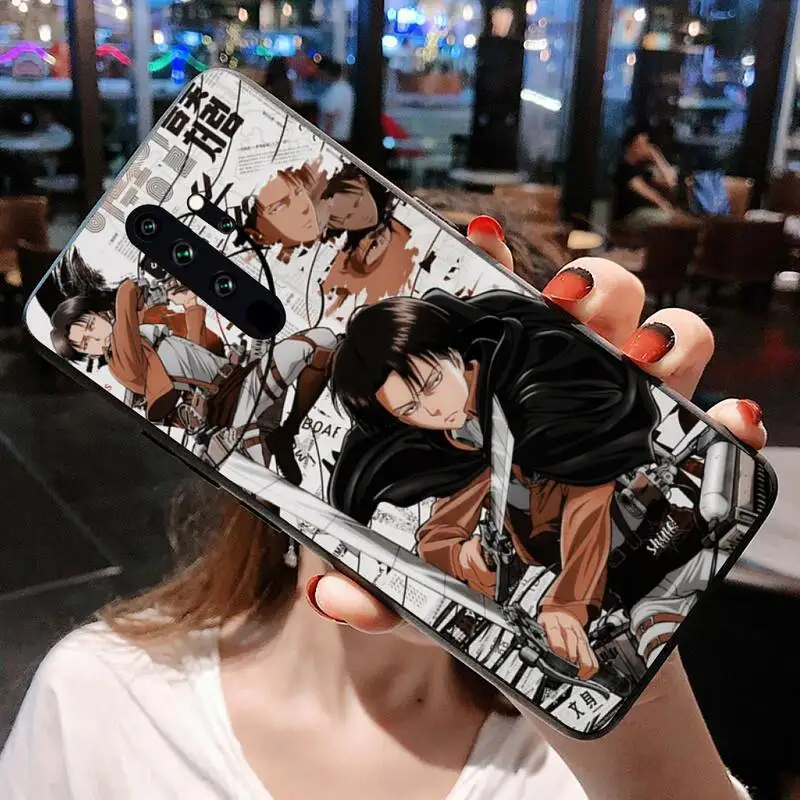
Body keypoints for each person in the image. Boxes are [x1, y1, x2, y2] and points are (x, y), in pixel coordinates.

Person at [0, 227, 760, 799]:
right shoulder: (99, 696)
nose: (435, 411)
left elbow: (581, 508)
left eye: (432, 384)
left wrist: (640, 726)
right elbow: (452, 535)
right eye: (407, 410)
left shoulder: (570, 763)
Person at [614, 125, 681, 231]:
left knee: (678, 218)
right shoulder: (624, 168)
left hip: (646, 212)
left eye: (647, 144)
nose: (646, 148)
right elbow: (644, 190)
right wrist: (664, 205)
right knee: (672, 219)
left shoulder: (642, 169)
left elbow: (670, 182)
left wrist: (656, 156)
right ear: (630, 146)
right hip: (631, 216)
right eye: (642, 144)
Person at [317, 57, 355, 148]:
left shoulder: (336, 90)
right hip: (342, 137)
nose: (319, 77)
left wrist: (324, 143)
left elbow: (330, 117)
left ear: (326, 73)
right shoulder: (346, 87)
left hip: (333, 139)